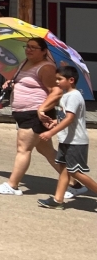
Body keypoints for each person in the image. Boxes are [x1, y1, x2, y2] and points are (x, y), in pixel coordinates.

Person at [0, 37, 67, 195]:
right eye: (27, 46)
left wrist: (42, 109)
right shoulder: (25, 63)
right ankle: (74, 182)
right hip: (25, 113)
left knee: (23, 149)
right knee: (46, 150)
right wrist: (11, 84)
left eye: (34, 47)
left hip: (35, 113)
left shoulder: (46, 67)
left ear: (44, 51)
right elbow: (25, 83)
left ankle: (12, 185)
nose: (29, 50)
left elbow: (56, 91)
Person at [37, 65, 97, 208]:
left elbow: (70, 118)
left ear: (71, 80)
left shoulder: (74, 96)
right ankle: (58, 200)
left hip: (76, 141)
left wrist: (51, 132)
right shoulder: (66, 96)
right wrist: (55, 122)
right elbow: (66, 117)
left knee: (74, 172)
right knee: (64, 169)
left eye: (60, 79)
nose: (57, 81)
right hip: (67, 139)